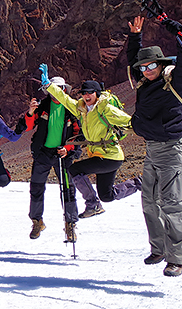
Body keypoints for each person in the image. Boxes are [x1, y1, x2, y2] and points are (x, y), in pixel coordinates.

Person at [127, 15, 182, 277]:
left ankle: (178, 258)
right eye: (143, 66)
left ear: (162, 64)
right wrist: (135, 36)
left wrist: (180, 30)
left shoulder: (175, 82)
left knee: (172, 205)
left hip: (172, 151)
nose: (146, 69)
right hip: (152, 151)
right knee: (149, 203)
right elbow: (132, 60)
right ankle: (159, 249)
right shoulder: (144, 82)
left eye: (151, 65)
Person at [40, 66, 140, 243]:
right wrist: (48, 85)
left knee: (75, 169)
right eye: (84, 93)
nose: (86, 96)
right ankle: (138, 183)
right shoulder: (82, 109)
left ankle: (92, 204)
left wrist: (151, 128)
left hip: (110, 156)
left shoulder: (106, 109)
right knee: (107, 195)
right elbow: (64, 99)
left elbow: (129, 121)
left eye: (90, 93)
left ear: (97, 94)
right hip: (101, 157)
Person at [15, 76, 82, 241]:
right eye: (53, 89)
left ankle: (70, 224)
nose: (56, 92)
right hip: (43, 154)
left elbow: (78, 134)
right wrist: (30, 112)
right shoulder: (43, 106)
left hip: (63, 155)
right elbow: (27, 126)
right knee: (36, 188)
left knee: (68, 190)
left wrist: (68, 148)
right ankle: (37, 221)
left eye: (59, 88)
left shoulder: (71, 108)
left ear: (64, 90)